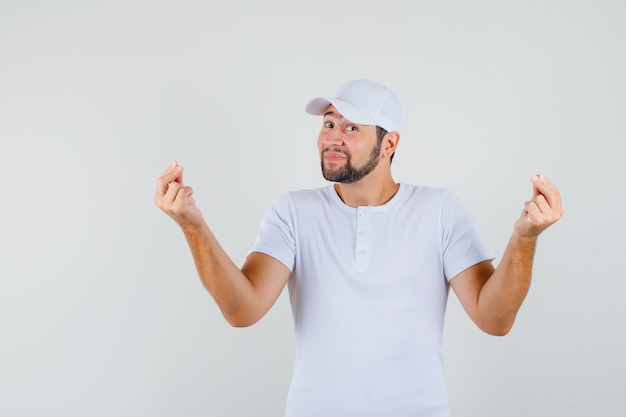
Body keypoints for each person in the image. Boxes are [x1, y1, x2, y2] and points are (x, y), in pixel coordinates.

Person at [154, 79, 563, 417]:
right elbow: (242, 311)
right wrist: (193, 225)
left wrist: (524, 239)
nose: (332, 138)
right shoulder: (293, 211)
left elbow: (494, 320)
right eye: (328, 124)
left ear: (389, 145)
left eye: (351, 128)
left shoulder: (439, 210)